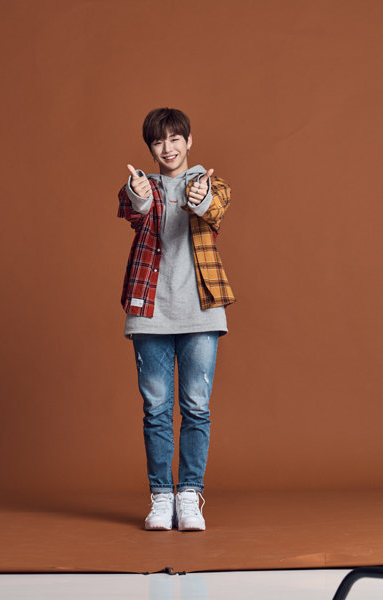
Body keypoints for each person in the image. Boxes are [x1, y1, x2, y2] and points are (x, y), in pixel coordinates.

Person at [117, 107, 236, 531]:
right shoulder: (142, 185)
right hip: (150, 311)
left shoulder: (211, 183)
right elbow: (134, 212)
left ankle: (188, 495)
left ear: (188, 141)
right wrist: (138, 196)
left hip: (201, 311)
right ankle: (161, 497)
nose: (167, 148)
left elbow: (213, 210)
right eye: (158, 141)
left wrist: (199, 197)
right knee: (155, 409)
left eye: (174, 139)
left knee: (196, 407)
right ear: (150, 148)